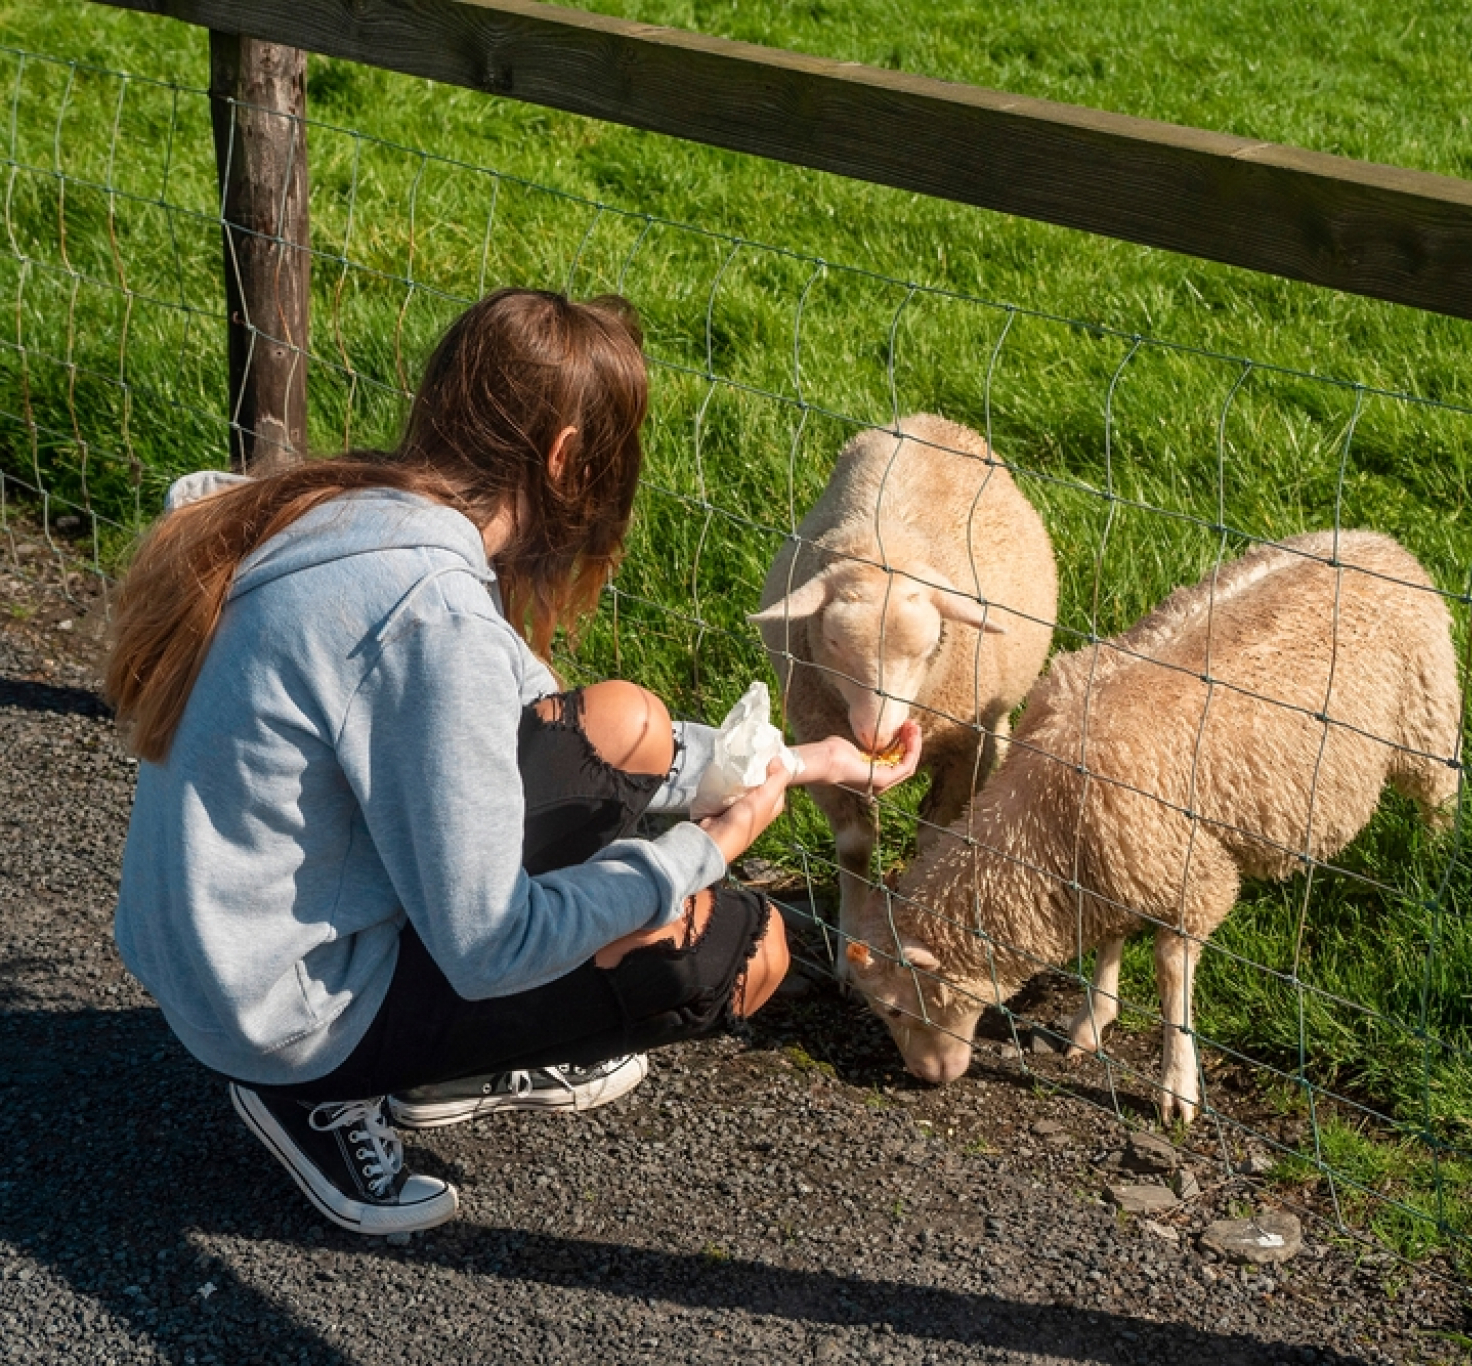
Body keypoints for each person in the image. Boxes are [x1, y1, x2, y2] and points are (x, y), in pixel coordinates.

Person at [105, 288, 921, 1237]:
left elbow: (540, 731)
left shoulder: (348, 510)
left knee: (624, 724)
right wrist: (705, 850)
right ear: (566, 456)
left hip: (219, 952)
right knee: (740, 947)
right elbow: (492, 943)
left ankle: (436, 1050)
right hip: (283, 1014)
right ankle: (327, 1091)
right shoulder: (432, 616)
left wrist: (805, 760)